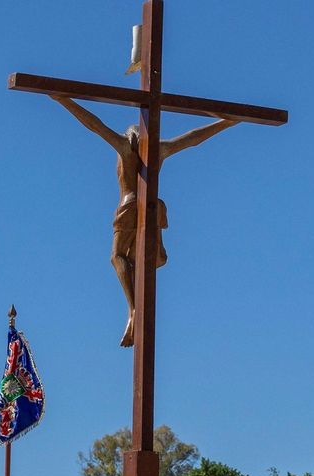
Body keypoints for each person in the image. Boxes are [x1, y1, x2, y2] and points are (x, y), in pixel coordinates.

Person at [48, 94, 238, 346]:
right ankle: (137, 309)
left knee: (117, 256)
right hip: (151, 208)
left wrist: (61, 99)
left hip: (129, 205)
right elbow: (194, 138)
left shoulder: (125, 147)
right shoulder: (160, 148)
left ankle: (133, 308)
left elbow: (94, 125)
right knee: (142, 262)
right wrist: (227, 122)